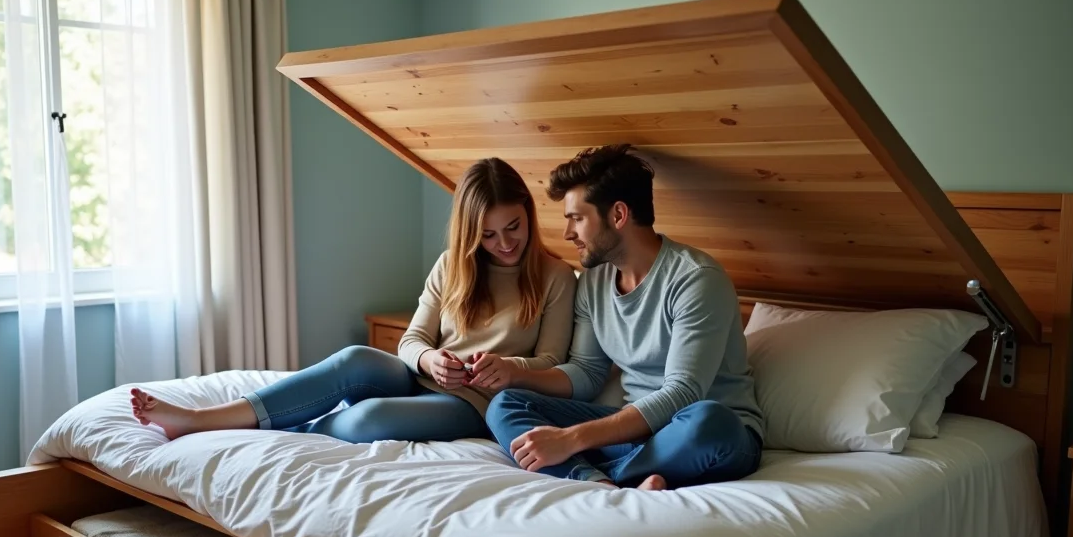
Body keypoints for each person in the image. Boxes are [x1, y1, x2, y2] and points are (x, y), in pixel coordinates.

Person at [131, 157, 577, 443]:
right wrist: (430, 360)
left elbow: (554, 363)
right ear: (469, 231)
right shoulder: (452, 265)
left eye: (513, 227)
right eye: (488, 235)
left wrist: (509, 368)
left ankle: (278, 430)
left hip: (478, 403)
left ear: (528, 214)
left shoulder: (556, 276)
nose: (504, 244)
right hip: (425, 379)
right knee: (352, 360)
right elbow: (412, 341)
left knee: (370, 418)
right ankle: (203, 418)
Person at [484, 144, 765, 491]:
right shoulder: (593, 282)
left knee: (709, 420)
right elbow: (587, 372)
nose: (569, 233)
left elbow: (683, 393)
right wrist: (515, 372)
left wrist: (572, 439)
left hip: (705, 434)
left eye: (577, 218)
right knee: (506, 404)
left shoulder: (696, 279)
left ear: (618, 215)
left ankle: (599, 476)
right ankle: (600, 482)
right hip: (633, 434)